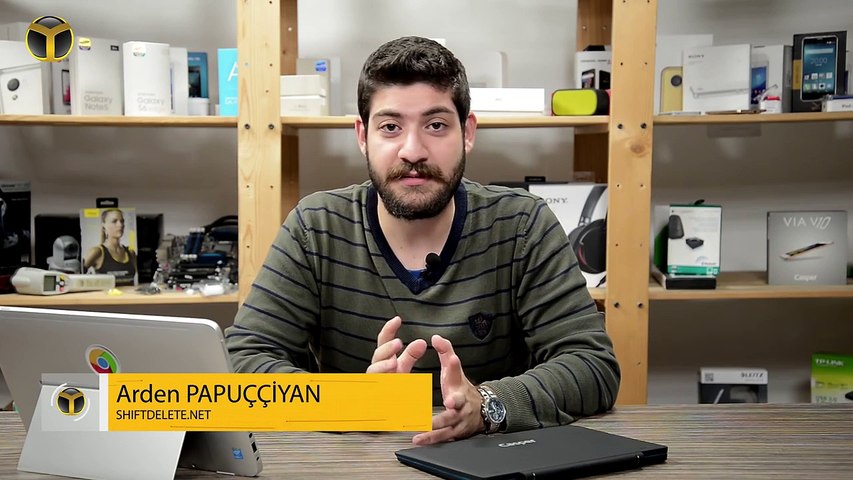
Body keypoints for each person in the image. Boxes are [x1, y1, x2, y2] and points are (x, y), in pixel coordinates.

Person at [225, 36, 620, 445]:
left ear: (467, 132)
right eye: (390, 127)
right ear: (362, 136)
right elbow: (241, 362)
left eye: (436, 125)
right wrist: (355, 403)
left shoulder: (522, 224)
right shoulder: (316, 226)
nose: (412, 151)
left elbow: (592, 365)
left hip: (493, 458)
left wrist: (487, 405)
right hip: (355, 462)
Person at [82, 208, 137, 285]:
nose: (120, 225)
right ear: (104, 225)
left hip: (129, 293)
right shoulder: (97, 252)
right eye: (114, 221)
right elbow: (78, 276)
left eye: (122, 221)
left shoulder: (131, 253)